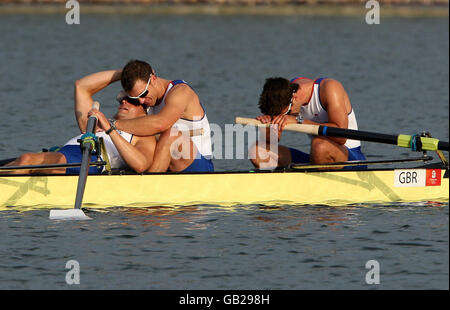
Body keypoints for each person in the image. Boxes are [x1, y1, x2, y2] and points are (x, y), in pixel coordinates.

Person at [4, 71, 156, 174]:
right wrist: (126, 74)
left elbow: (141, 164)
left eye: (131, 100)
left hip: (91, 159)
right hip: (67, 152)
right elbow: (81, 87)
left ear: (145, 110)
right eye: (122, 99)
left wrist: (110, 129)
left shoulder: (144, 136)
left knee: (27, 160)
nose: (124, 101)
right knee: (23, 161)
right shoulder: (96, 122)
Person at [88, 59, 214, 173]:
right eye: (135, 98)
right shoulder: (145, 98)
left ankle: (147, 184)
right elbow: (81, 87)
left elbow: (161, 124)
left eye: (143, 94)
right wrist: (128, 73)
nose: (141, 101)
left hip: (199, 164)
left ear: (153, 78)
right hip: (166, 164)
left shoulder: (180, 92)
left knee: (170, 134)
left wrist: (112, 125)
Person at [250, 76, 366, 169]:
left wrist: (299, 121)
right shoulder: (285, 95)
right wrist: (268, 128)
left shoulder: (330, 89)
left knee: (319, 144)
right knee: (257, 151)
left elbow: (341, 137)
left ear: (294, 98)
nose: (284, 116)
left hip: (350, 158)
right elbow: (273, 141)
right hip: (316, 157)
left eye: (286, 113)